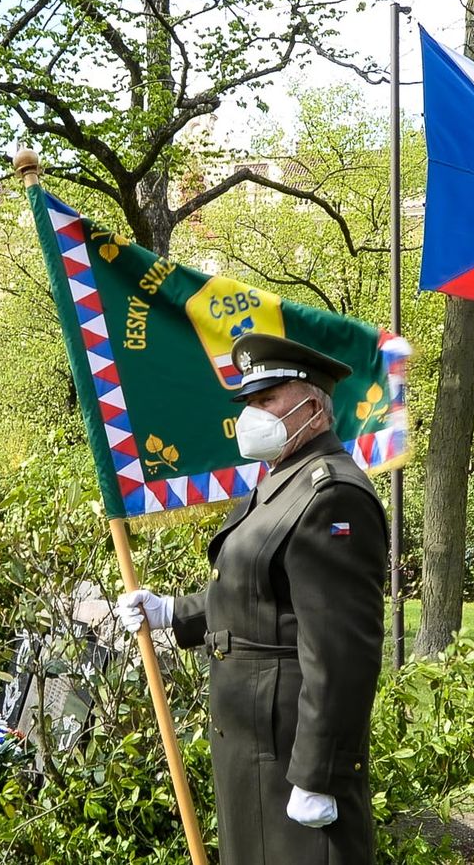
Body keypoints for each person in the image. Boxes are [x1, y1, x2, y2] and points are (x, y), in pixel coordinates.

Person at [114, 334, 388, 865]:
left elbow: (341, 654)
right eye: (250, 404)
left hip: (289, 749)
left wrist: (319, 772)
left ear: (313, 404)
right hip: (251, 738)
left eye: (267, 401)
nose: (252, 416)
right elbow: (256, 590)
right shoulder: (279, 482)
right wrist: (173, 611)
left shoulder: (332, 494)